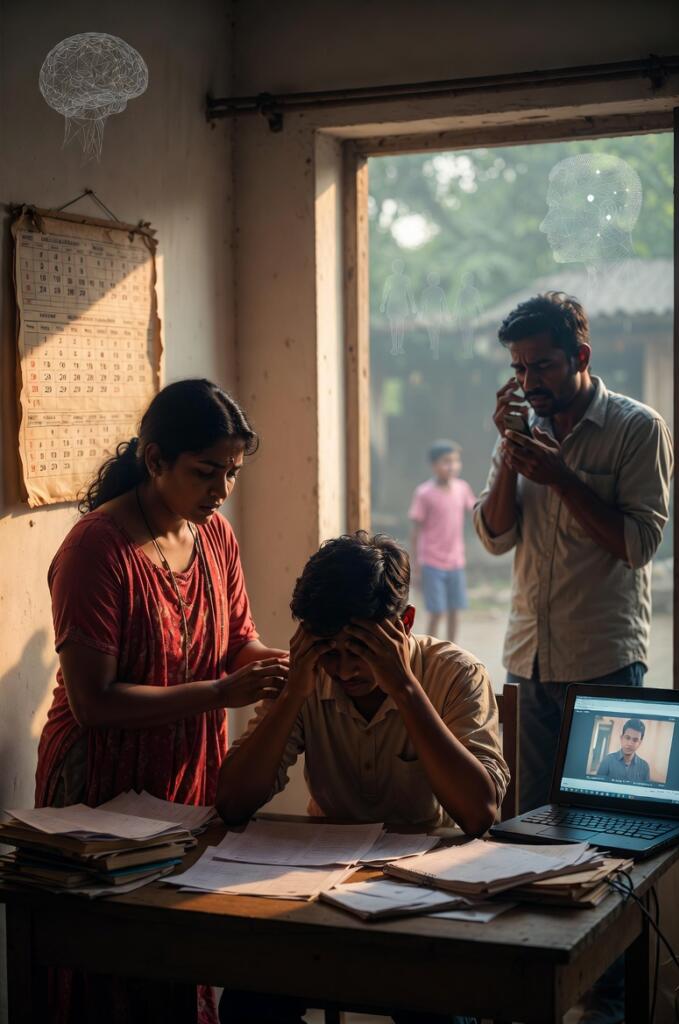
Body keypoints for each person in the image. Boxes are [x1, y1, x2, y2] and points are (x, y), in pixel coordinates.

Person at [35, 378, 288, 1024]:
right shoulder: (97, 549)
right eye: (206, 472)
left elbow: (236, 643)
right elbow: (93, 703)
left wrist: (293, 664)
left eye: (231, 473)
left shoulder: (214, 538)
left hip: (182, 779)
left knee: (177, 956)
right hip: (100, 788)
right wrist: (222, 694)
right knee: (109, 969)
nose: (222, 491)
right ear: (153, 460)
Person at [473, 291, 673, 1024]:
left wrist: (560, 477)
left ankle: (610, 1007)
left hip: (604, 669)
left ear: (580, 357)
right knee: (527, 843)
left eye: (543, 365)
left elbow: (637, 545)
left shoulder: (634, 429)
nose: (530, 382)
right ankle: (538, 1000)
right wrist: (507, 459)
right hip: (528, 665)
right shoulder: (521, 430)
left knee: (609, 856)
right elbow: (494, 537)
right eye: (519, 369)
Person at [216, 531, 509, 1024]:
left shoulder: (455, 676)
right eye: (330, 652)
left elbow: (480, 814)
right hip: (325, 898)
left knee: (442, 1009)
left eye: (362, 650)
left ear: (405, 623)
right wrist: (291, 698)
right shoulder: (308, 676)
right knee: (247, 1003)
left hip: (433, 903)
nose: (346, 670)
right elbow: (232, 803)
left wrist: (403, 686)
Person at [409, 440, 476, 643]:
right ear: (434, 465)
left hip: (456, 561)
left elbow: (476, 511)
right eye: (446, 461)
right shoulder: (424, 493)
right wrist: (416, 566)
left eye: (456, 461)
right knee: (436, 612)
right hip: (432, 562)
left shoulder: (462, 488)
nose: (452, 466)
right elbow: (415, 532)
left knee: (455, 610)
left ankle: (452, 650)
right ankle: (431, 651)